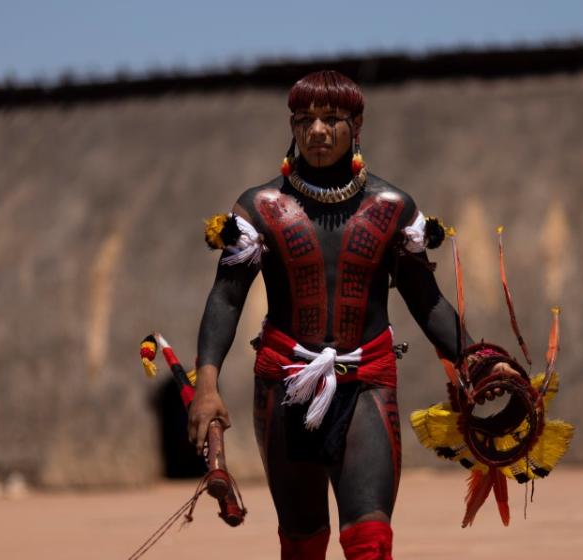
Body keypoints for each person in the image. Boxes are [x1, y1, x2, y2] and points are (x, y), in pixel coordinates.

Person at [188, 70, 515, 560]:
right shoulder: (259, 209)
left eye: (332, 118)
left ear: (356, 124)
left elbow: (426, 301)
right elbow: (227, 298)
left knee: (370, 541)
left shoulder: (393, 209)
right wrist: (208, 386)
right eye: (305, 119)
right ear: (293, 126)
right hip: (284, 383)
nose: (317, 130)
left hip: (366, 382)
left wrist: (479, 360)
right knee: (302, 542)